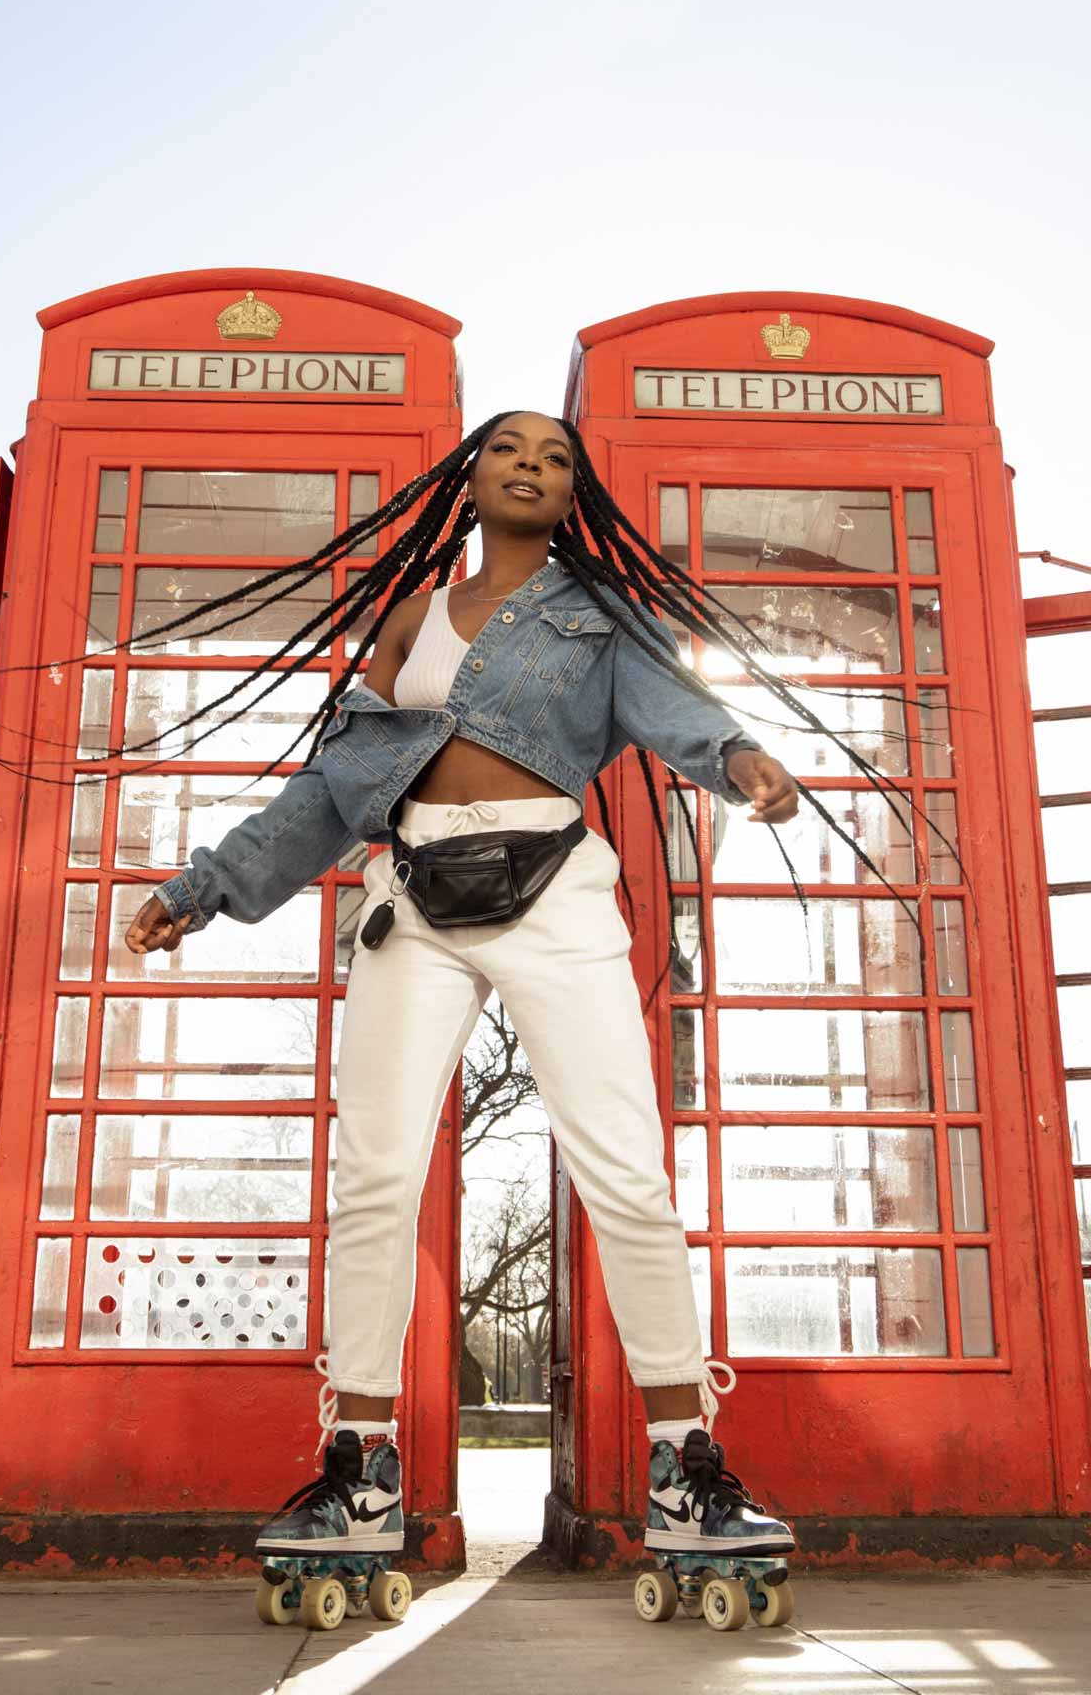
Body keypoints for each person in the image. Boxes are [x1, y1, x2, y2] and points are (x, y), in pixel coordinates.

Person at [124, 410, 812, 1566]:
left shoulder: (600, 616)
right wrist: (203, 888)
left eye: (556, 457)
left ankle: (687, 1463)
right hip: (410, 899)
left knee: (626, 1170)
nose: (534, 466)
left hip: (554, 891)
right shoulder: (408, 622)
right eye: (512, 451)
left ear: (573, 492)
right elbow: (333, 790)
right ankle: (361, 1470)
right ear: (471, 477)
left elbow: (684, 715)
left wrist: (740, 762)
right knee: (376, 1176)